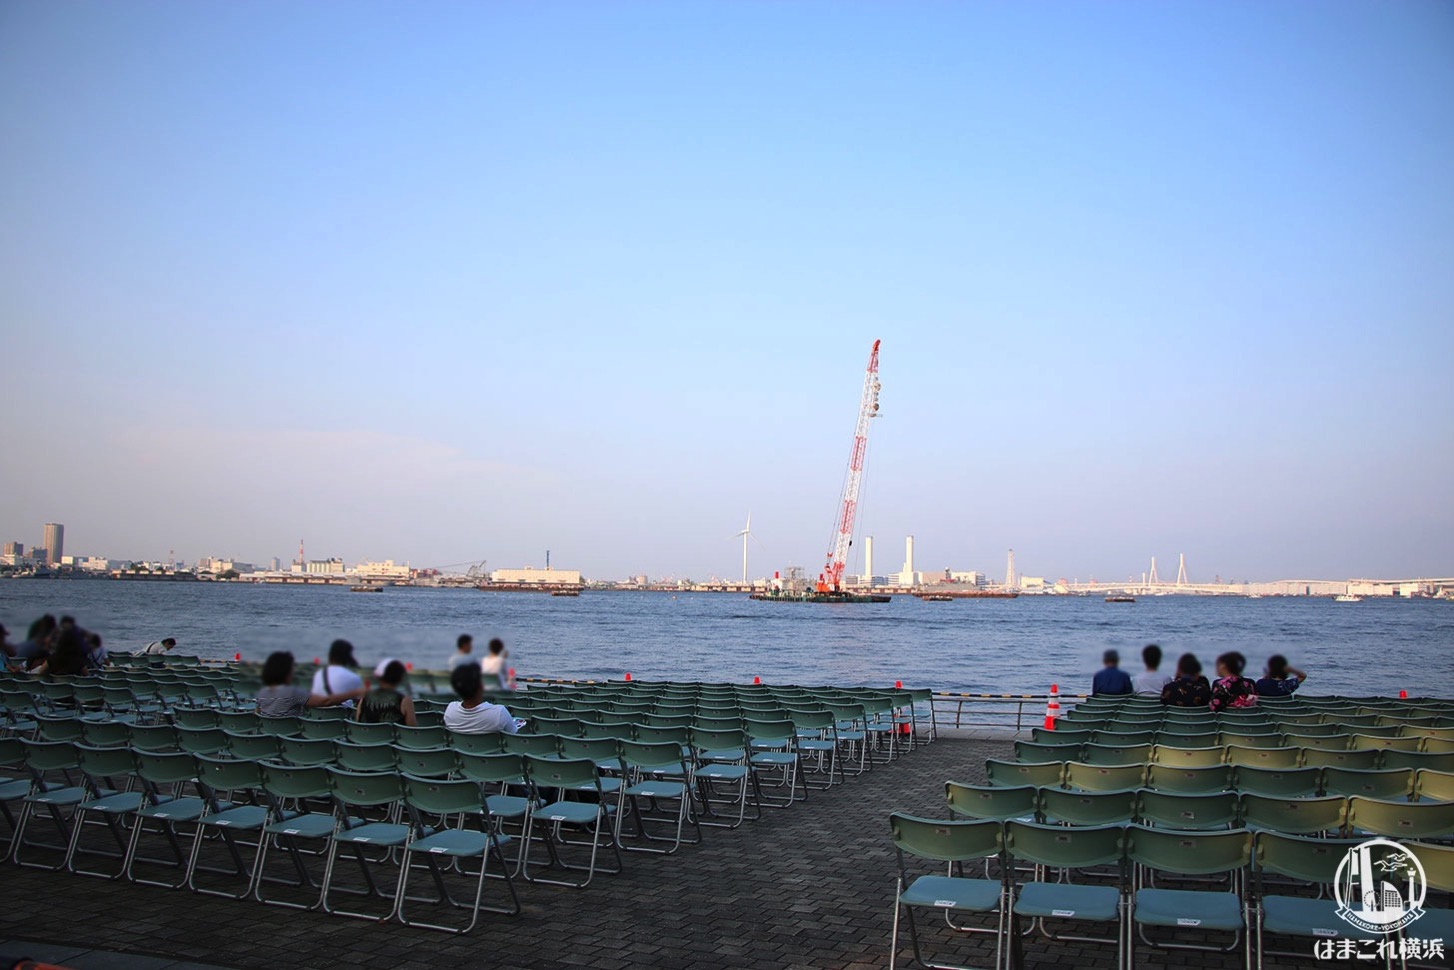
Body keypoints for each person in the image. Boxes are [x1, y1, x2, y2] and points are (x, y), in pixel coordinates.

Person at [256, 651, 366, 717]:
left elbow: (257, 713)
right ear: (286, 672)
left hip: (270, 743)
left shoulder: (262, 692)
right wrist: (352, 693)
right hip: (293, 743)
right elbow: (326, 701)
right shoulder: (293, 693)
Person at [443, 663, 520, 735]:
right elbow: (513, 734)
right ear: (481, 687)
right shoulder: (499, 712)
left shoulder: (450, 709)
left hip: (459, 749)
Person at [357, 660, 417, 726]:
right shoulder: (404, 700)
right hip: (393, 736)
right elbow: (413, 731)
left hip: (366, 736)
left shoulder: (364, 698)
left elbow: (358, 724)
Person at [310, 639, 365, 708]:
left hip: (315, 717)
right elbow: (359, 702)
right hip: (340, 716)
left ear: (330, 655)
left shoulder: (318, 674)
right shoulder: (353, 677)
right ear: (348, 658)